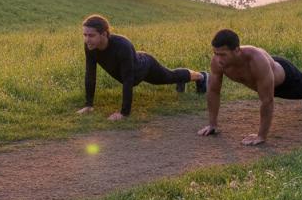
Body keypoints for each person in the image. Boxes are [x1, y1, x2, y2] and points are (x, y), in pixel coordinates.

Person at [197, 29, 302, 146]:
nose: (218, 59)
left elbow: (267, 100)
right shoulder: (217, 63)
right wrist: (212, 124)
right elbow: (213, 91)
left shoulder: (255, 60)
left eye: (222, 54)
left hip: (284, 79)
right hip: (267, 77)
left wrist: (261, 135)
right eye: (215, 54)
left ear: (237, 50)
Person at [76, 14, 207, 120]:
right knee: (170, 77)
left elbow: (128, 79)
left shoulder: (122, 46)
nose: (87, 39)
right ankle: (183, 79)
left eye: (91, 35)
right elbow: (90, 74)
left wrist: (124, 113)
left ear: (104, 34)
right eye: (85, 35)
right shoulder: (90, 47)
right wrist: (89, 105)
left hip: (144, 67)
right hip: (131, 68)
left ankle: (201, 76)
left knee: (169, 77)